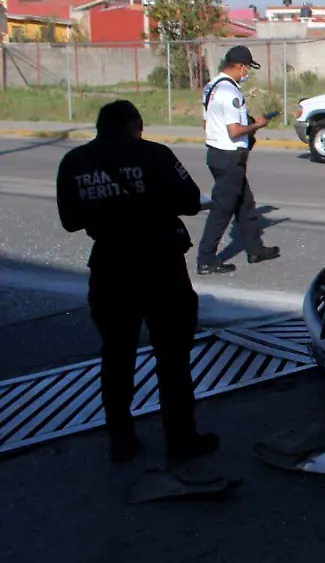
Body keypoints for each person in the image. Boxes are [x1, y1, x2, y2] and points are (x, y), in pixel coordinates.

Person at [55, 100, 219, 464]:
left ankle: (122, 441)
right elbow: (191, 201)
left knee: (116, 357)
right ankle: (180, 440)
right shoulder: (156, 155)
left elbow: (70, 220)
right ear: (136, 124)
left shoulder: (74, 163)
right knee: (173, 359)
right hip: (160, 265)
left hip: (110, 267)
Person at [196, 45, 280, 275]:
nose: (247, 73)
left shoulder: (211, 87)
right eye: (247, 68)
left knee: (245, 204)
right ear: (240, 66)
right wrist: (257, 124)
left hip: (216, 153)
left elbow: (208, 122)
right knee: (222, 211)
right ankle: (205, 259)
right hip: (229, 157)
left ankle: (255, 249)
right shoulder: (231, 93)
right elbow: (234, 131)